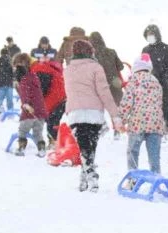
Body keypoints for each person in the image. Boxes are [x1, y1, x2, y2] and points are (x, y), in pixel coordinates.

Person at [63, 40, 123, 192]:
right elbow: (104, 93)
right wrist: (115, 116)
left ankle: (84, 180)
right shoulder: (96, 68)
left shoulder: (68, 70)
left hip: (75, 114)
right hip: (93, 114)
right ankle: (91, 175)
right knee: (90, 147)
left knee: (85, 148)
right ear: (90, 52)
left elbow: (68, 92)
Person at [119, 53, 165, 178]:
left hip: (137, 123)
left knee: (133, 152)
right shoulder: (156, 81)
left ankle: (133, 177)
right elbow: (160, 103)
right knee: (154, 155)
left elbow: (127, 103)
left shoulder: (133, 81)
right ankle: (156, 177)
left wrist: (121, 121)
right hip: (155, 124)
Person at [142, 24, 168, 132]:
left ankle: (167, 126)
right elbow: (143, 65)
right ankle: (152, 126)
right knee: (150, 105)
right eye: (148, 35)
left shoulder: (166, 48)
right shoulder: (145, 49)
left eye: (152, 34)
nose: (150, 36)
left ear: (157, 35)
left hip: (163, 83)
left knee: (165, 104)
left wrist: (166, 79)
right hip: (149, 84)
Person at [12, 53, 48, 157]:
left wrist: (26, 106)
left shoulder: (23, 81)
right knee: (38, 133)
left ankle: (21, 148)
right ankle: (41, 149)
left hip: (29, 111)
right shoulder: (34, 77)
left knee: (22, 131)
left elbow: (25, 95)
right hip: (40, 111)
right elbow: (36, 93)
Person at [29, 55, 67, 144]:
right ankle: (55, 141)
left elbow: (41, 89)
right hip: (62, 97)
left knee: (51, 121)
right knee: (53, 120)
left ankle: (55, 143)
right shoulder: (46, 68)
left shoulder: (39, 70)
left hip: (55, 99)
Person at [89, 31, 124, 107]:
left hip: (101, 88)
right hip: (115, 85)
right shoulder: (111, 52)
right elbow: (121, 67)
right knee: (119, 109)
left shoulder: (91, 56)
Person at [0, 46, 14, 116]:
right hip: (9, 83)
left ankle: (0, 110)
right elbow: (13, 73)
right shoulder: (11, 61)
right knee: (9, 99)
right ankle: (10, 112)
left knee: (0, 99)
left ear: (1, 53)